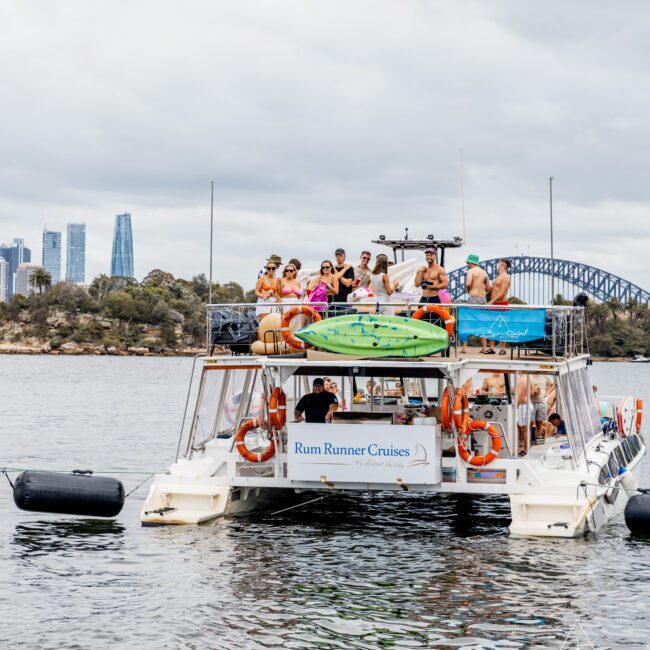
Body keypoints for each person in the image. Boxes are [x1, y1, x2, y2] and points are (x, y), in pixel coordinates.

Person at [463, 254, 491, 353]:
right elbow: (488, 288)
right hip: (483, 299)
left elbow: (468, 284)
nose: (467, 264)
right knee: (482, 323)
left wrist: (468, 290)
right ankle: (484, 347)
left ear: (471, 262)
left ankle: (464, 347)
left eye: (467, 262)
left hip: (473, 298)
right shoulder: (484, 272)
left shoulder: (470, 271)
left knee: (467, 321)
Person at [484, 259, 512, 355]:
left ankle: (503, 348)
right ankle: (492, 348)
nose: (497, 266)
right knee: (491, 325)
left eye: (499, 264)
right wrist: (487, 282)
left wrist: (491, 302)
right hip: (494, 303)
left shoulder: (506, 277)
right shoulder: (498, 277)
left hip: (501, 303)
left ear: (503, 265)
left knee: (503, 326)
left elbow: (503, 292)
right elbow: (491, 291)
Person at [516, 374, 535, 455]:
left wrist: (516, 405)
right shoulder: (529, 376)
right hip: (528, 404)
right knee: (527, 429)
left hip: (523, 405)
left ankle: (526, 450)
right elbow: (533, 391)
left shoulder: (522, 378)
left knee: (524, 429)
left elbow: (520, 394)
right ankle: (527, 448)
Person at [530, 375, 551, 443]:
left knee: (539, 423)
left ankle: (538, 442)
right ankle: (529, 442)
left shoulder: (544, 377)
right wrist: (532, 391)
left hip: (541, 402)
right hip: (531, 402)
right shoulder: (530, 376)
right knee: (530, 423)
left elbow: (552, 384)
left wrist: (547, 392)